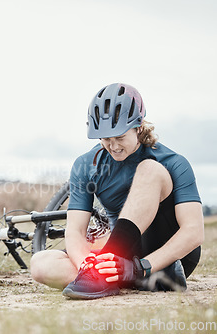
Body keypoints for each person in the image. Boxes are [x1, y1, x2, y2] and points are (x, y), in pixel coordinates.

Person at [30, 83, 204, 299]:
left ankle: (145, 273)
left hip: (169, 256)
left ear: (139, 127)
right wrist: (88, 266)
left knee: (149, 169)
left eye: (120, 138)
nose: (113, 146)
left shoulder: (173, 162)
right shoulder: (86, 165)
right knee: (41, 264)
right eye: (105, 139)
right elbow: (75, 231)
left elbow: (194, 232)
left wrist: (141, 266)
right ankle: (113, 277)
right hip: (120, 257)